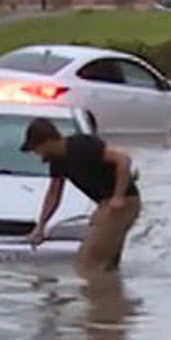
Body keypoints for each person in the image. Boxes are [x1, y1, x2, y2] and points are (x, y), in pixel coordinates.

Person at [19, 118, 140, 276]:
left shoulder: (81, 146)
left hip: (122, 204)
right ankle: (111, 297)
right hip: (105, 205)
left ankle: (95, 296)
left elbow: (123, 160)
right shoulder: (57, 162)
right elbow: (53, 194)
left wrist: (118, 197)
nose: (37, 154)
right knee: (106, 263)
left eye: (36, 149)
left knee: (87, 262)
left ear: (47, 141)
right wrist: (41, 226)